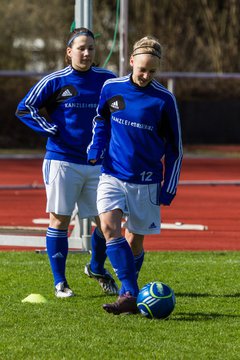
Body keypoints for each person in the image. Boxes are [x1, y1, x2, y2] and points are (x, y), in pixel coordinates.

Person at [16, 27, 119, 298]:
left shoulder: (108, 80)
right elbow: (25, 108)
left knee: (108, 222)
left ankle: (96, 267)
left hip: (99, 163)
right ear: (69, 52)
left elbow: (121, 112)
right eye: (81, 48)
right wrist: (50, 129)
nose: (86, 53)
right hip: (62, 160)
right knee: (59, 219)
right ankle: (60, 283)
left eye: (91, 49)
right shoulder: (55, 80)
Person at [87, 35, 183, 314]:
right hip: (113, 173)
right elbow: (101, 120)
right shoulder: (112, 88)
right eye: (142, 69)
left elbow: (175, 147)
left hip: (147, 181)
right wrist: (96, 145)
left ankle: (130, 291)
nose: (145, 75)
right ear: (131, 61)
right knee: (108, 228)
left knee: (135, 240)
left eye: (152, 71)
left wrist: (170, 184)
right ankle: (129, 291)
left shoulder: (164, 100)